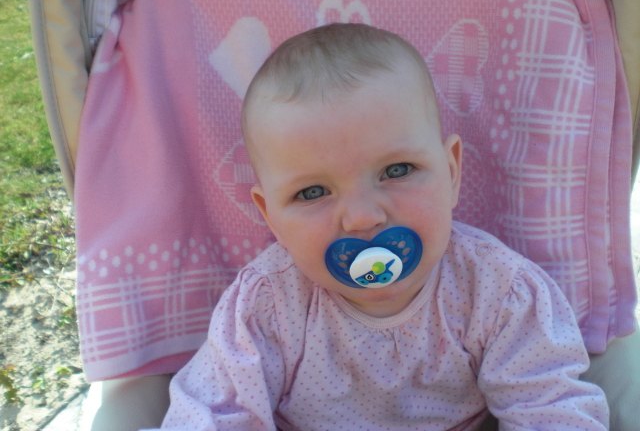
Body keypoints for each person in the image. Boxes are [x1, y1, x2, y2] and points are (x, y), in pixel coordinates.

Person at [149, 23, 609, 430]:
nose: (363, 217)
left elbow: (550, 407)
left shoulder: (497, 291)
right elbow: (213, 414)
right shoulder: (265, 308)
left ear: (450, 173)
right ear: (271, 217)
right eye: (312, 192)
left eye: (397, 170)